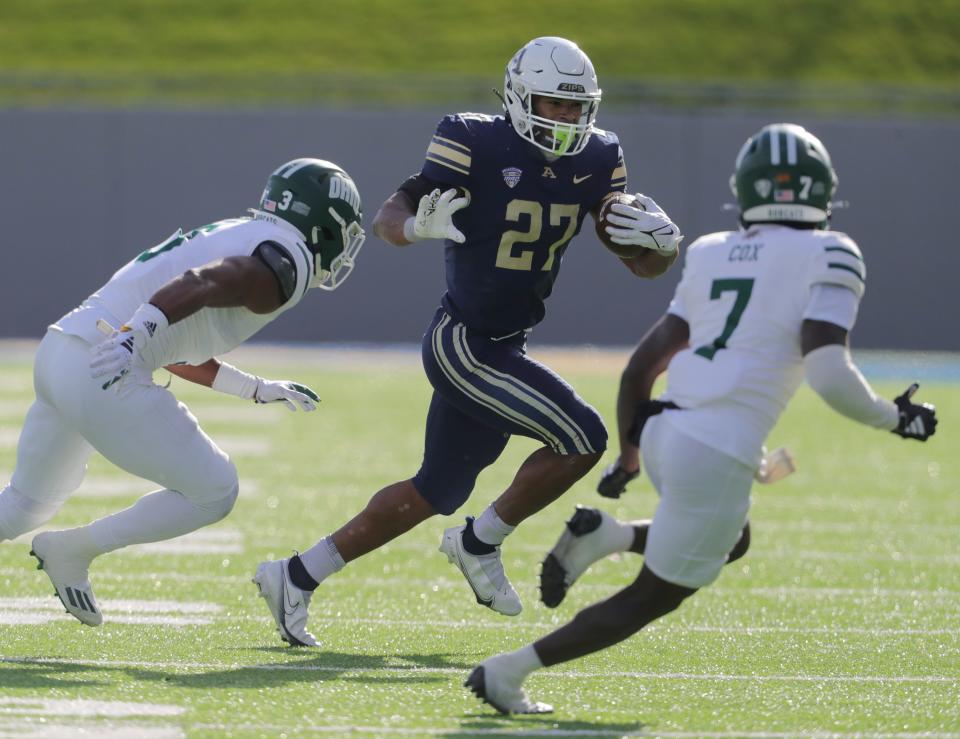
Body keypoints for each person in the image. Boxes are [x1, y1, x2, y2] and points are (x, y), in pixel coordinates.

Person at [465, 122, 938, 714]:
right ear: (821, 191)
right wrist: (894, 418)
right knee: (653, 597)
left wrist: (631, 454)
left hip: (667, 429)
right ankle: (508, 673)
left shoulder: (714, 251)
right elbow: (828, 370)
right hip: (714, 449)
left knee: (730, 537)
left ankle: (608, 536)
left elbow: (642, 366)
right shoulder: (833, 252)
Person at [251, 36, 682, 647]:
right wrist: (413, 227)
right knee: (583, 437)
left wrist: (658, 246)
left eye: (573, 106)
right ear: (516, 96)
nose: (562, 117)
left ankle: (294, 576)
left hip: (507, 343)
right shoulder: (474, 139)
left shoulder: (600, 154)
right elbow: (389, 217)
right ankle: (480, 541)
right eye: (550, 104)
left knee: (438, 489)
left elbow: (639, 263)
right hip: (465, 343)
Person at [0, 158, 365, 626]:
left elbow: (176, 343)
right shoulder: (285, 257)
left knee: (22, 506)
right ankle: (73, 548)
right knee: (215, 490)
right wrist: (141, 329)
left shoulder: (242, 230)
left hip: (61, 353)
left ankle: (69, 552)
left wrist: (253, 388)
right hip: (103, 368)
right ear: (323, 224)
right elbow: (204, 283)